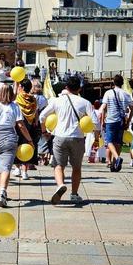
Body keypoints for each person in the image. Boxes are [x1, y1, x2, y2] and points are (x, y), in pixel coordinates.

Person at [39, 76, 98, 205]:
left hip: (60, 137)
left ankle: (60, 184)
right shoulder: (85, 102)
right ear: (80, 88)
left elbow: (42, 116)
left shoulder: (57, 101)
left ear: (66, 87)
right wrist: (97, 138)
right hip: (77, 137)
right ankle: (74, 194)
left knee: (58, 165)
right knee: (76, 167)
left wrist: (44, 132)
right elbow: (96, 122)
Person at [0, 72, 34, 207]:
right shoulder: (14, 106)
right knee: (6, 168)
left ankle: (2, 191)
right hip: (9, 136)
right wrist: (29, 140)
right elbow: (21, 125)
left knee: (0, 167)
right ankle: (3, 192)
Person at [99, 74, 132, 172]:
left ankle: (117, 158)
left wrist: (102, 121)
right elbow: (132, 109)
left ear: (113, 82)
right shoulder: (126, 94)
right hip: (121, 121)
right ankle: (114, 165)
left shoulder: (108, 93)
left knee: (109, 141)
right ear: (122, 83)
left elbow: (104, 108)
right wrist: (128, 121)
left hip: (111, 120)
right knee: (118, 143)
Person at [13, 78, 41, 180]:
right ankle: (25, 171)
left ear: (23, 87)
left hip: (19, 124)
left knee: (18, 145)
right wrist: (36, 121)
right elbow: (36, 112)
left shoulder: (18, 98)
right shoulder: (33, 99)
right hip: (31, 125)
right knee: (28, 146)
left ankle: (17, 168)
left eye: (20, 86)